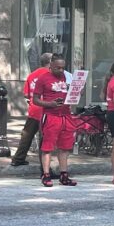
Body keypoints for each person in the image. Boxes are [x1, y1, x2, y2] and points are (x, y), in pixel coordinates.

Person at [32, 55, 79, 188]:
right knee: (48, 147)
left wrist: (77, 89)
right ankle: (46, 174)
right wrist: (50, 104)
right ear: (51, 65)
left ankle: (64, 174)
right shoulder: (43, 79)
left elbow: (73, 92)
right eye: (57, 67)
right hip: (51, 115)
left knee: (65, 147)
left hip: (65, 115)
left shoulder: (67, 77)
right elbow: (35, 99)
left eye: (63, 68)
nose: (60, 70)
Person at [11, 51, 52, 167]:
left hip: (34, 109)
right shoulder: (50, 75)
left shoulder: (32, 75)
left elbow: (26, 94)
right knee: (44, 139)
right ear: (50, 63)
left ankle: (18, 158)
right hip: (46, 109)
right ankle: (45, 166)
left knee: (27, 135)